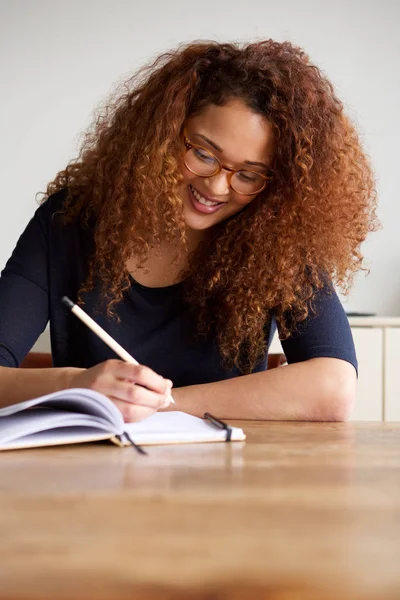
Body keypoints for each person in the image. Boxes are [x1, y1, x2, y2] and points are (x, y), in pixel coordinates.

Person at [0, 39, 379, 422]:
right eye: (203, 154)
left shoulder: (278, 240)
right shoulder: (70, 219)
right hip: (93, 469)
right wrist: (77, 385)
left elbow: (334, 388)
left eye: (248, 175)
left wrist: (161, 406)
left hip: (225, 474)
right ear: (161, 135)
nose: (216, 188)